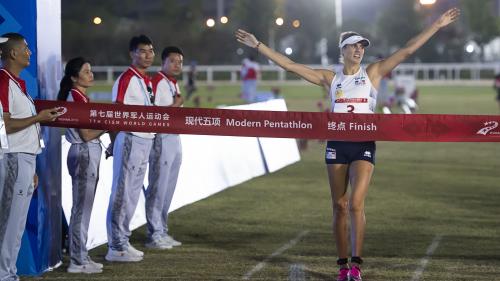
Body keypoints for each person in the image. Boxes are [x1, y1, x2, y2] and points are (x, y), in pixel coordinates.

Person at [236, 7, 459, 281]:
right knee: (339, 206)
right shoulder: (331, 78)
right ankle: (342, 266)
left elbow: (407, 50)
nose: (359, 50)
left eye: (362, 47)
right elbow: (290, 66)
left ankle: (356, 265)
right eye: (354, 46)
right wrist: (258, 45)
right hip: (337, 145)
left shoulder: (373, 74)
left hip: (363, 145)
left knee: (355, 204)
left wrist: (437, 24)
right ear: (342, 50)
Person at [0, 32, 60, 281]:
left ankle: (8, 272)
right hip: (12, 158)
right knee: (10, 222)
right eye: (25, 48)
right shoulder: (2, 81)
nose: (30, 52)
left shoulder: (16, 83)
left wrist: (31, 166)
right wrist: (39, 117)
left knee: (16, 223)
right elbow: (4, 125)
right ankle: (5, 274)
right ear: (12, 53)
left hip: (23, 159)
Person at [106, 34, 155, 262]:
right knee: (122, 193)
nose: (148, 55)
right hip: (130, 139)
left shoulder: (145, 79)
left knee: (133, 193)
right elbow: (116, 112)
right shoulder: (126, 79)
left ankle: (124, 239)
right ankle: (115, 246)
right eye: (143, 51)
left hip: (145, 140)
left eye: (151, 51)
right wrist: (116, 142)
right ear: (132, 54)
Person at [57, 57, 106, 273]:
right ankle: (77, 260)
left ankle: (80, 254)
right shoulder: (75, 98)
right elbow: (86, 135)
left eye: (91, 70)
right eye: (86, 71)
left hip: (87, 154)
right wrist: (107, 125)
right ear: (74, 77)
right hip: (84, 153)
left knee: (83, 209)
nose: (91, 74)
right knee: (81, 210)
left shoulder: (80, 97)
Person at [145, 46, 184, 250]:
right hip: (162, 138)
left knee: (168, 188)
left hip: (174, 138)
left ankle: (162, 229)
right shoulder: (159, 81)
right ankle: (154, 234)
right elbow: (159, 114)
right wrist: (177, 105)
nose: (177, 65)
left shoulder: (172, 83)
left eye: (180, 62)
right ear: (164, 63)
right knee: (158, 187)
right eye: (173, 61)